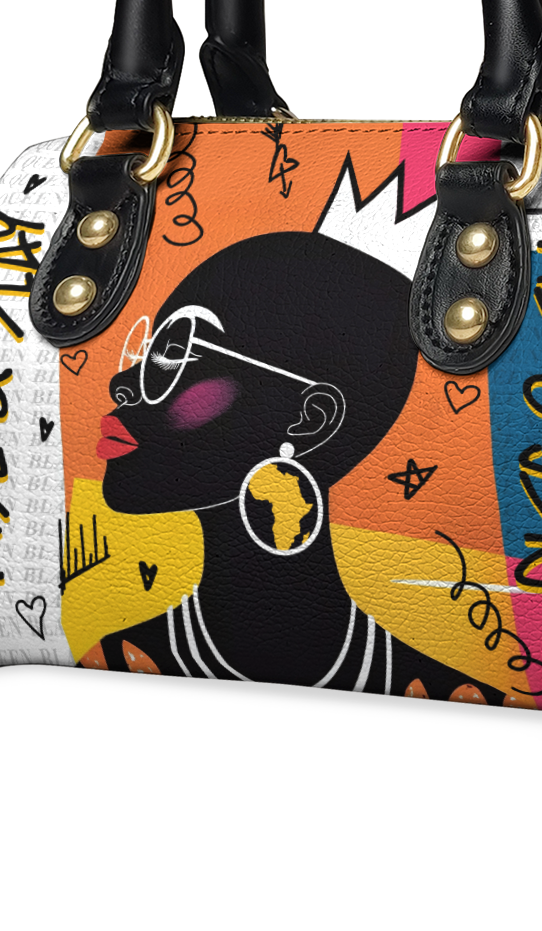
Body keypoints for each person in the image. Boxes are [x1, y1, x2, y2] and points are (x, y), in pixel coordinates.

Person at [79, 229, 501, 702]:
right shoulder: (106, 659)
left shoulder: (461, 694)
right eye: (147, 351)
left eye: (174, 352)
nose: (121, 381)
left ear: (309, 419)